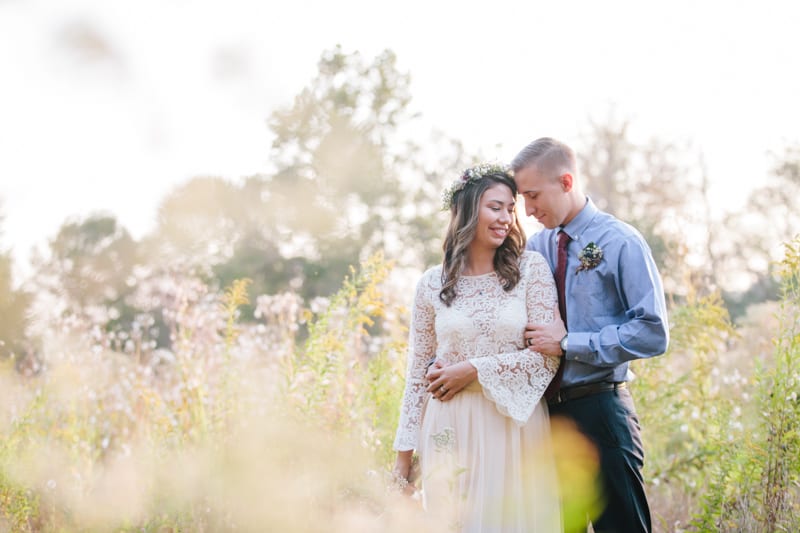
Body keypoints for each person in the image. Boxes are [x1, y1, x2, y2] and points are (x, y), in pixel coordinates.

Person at [391, 163, 563, 532]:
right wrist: (403, 458)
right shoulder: (429, 284)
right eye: (495, 207)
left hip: (513, 426)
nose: (506, 218)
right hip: (448, 427)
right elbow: (417, 374)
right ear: (468, 211)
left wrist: (471, 371)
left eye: (510, 209)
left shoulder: (531, 269)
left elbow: (547, 358)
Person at [512, 137, 669, 533]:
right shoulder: (536, 248)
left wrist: (569, 343)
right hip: (544, 419)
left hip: (600, 410)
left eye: (533, 196)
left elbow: (653, 332)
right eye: (522, 200)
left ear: (566, 182)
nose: (528, 211)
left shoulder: (622, 242)